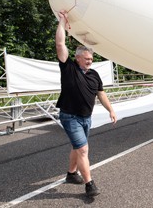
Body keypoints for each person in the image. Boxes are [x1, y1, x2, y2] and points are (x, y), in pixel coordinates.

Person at [55, 10, 117, 197]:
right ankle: (89, 184)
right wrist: (62, 22)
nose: (90, 61)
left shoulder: (94, 74)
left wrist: (111, 109)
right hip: (69, 116)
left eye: (92, 59)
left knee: (77, 147)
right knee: (83, 149)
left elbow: (101, 94)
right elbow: (60, 44)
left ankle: (71, 174)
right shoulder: (68, 67)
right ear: (78, 58)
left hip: (85, 118)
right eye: (87, 59)